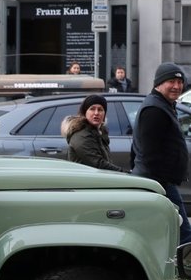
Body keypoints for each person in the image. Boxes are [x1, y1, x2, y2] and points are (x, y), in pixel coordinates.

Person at [132, 62, 191, 245]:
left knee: (170, 230)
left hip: (159, 182)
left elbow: (136, 149)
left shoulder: (163, 105)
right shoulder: (154, 110)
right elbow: (149, 153)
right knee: (184, 233)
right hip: (158, 183)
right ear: (159, 83)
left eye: (180, 82)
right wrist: (162, 183)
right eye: (171, 81)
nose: (176, 86)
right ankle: (184, 269)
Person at [60, 94, 127, 172]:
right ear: (85, 112)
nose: (96, 113)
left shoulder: (99, 132)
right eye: (92, 109)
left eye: (100, 109)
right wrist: (124, 173)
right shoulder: (81, 135)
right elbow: (98, 163)